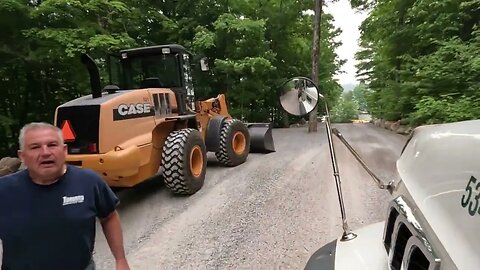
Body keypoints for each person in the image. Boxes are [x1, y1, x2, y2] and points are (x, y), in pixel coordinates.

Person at [0, 122, 130, 270]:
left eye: (52, 145)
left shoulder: (88, 181)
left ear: (64, 150)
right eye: (35, 147)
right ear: (22, 156)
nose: (45, 152)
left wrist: (121, 260)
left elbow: (109, 216)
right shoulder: (4, 190)